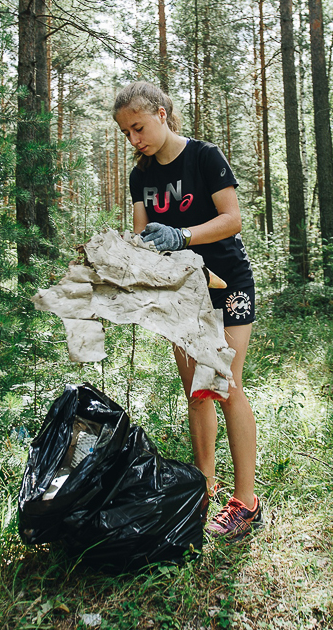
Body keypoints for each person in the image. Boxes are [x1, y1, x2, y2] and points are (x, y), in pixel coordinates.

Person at [114, 80, 262, 543]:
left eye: (138, 127)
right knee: (197, 392)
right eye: (126, 134)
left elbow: (232, 218)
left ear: (160, 113)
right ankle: (204, 489)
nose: (134, 140)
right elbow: (142, 237)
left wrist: (183, 236)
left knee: (225, 384)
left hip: (228, 284)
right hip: (183, 293)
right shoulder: (142, 176)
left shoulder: (204, 156)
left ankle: (246, 503)